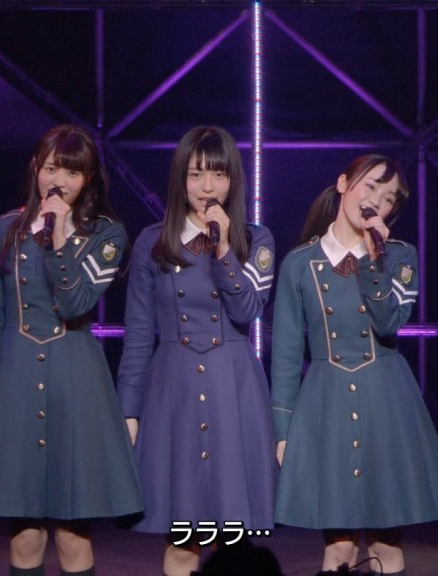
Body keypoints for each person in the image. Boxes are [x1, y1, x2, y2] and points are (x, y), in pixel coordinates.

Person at [0, 124, 143, 576]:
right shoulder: (2, 231)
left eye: (72, 172)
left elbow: (76, 302)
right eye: (51, 169)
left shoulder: (106, 235)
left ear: (88, 179)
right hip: (16, 383)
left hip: (77, 386)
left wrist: (60, 236)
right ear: (35, 169)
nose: (59, 181)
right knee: (25, 532)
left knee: (72, 532)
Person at [270, 154, 438, 576]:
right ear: (343, 183)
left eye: (388, 198)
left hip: (386, 402)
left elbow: (389, 322)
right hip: (326, 404)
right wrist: (283, 430)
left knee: (386, 544)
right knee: (338, 547)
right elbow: (287, 352)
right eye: (370, 186)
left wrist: (372, 258)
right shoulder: (299, 263)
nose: (374, 201)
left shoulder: (400, 256)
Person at [117, 126, 277, 576]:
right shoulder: (152, 242)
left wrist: (223, 248)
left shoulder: (256, 240)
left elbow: (248, 309)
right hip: (174, 393)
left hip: (233, 390)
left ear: (233, 180)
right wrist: (128, 411)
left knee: (233, 538)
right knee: (183, 536)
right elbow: (137, 334)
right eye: (196, 174)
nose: (208, 187)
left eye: (218, 175)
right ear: (180, 179)